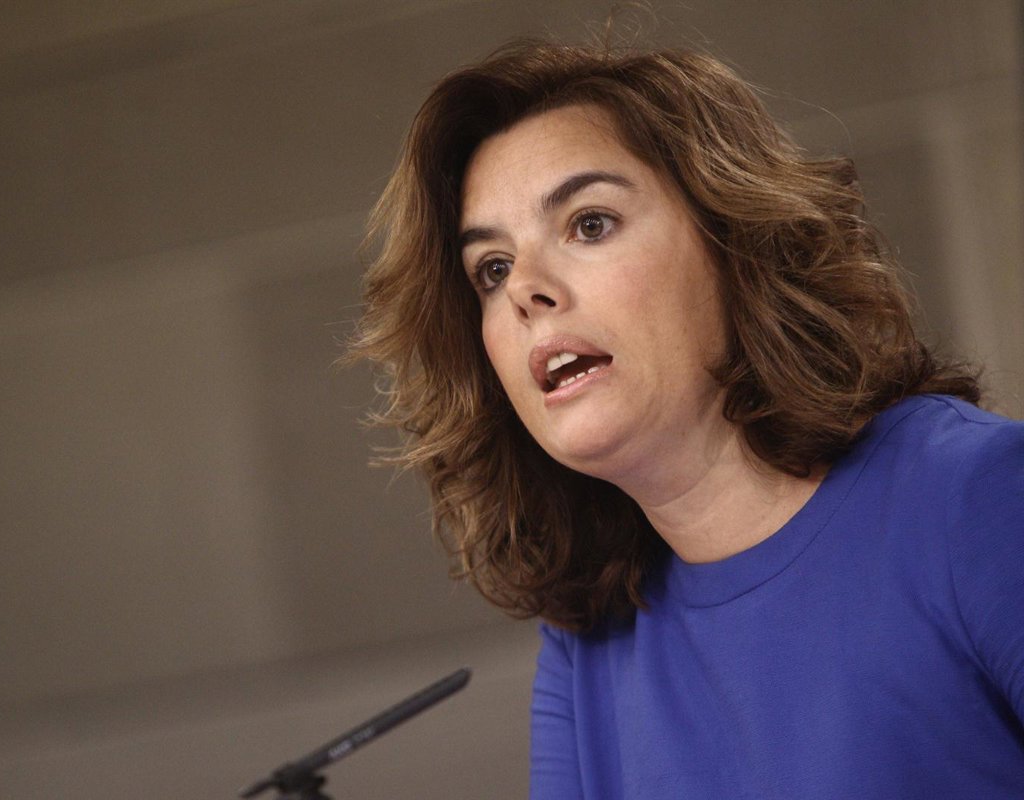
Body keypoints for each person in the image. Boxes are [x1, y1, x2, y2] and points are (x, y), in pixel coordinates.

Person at [351, 39, 1024, 798]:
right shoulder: (589, 643)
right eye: (492, 269)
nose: (524, 291)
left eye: (589, 224)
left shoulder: (977, 498)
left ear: (731, 239)